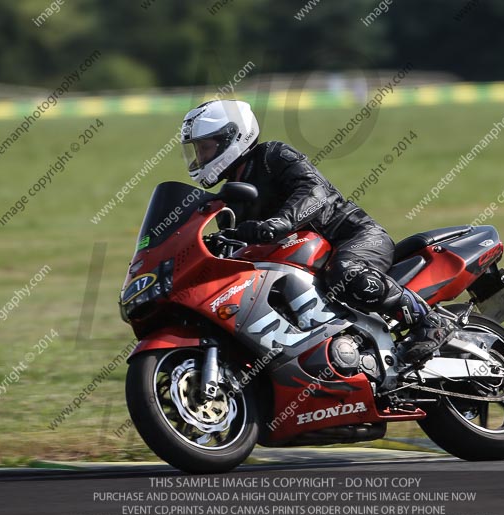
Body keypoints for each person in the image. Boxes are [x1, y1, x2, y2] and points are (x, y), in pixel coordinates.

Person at [180, 100, 453, 359]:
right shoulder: (230, 199)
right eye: (198, 150)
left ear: (231, 138)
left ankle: (430, 322)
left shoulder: (272, 155)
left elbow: (315, 191)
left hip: (353, 236)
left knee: (345, 274)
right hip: (301, 264)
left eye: (205, 147)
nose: (201, 156)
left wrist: (281, 222)